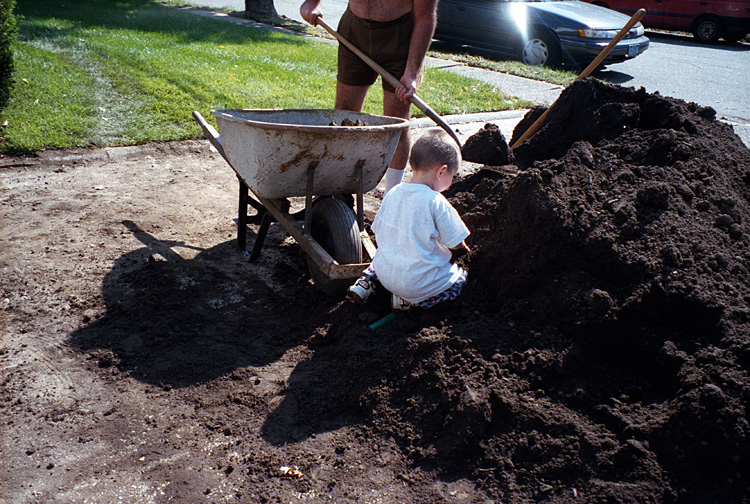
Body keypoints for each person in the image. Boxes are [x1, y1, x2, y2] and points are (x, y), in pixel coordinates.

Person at [300, 0, 438, 194]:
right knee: (344, 114)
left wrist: (412, 72)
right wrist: (312, 2)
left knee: (395, 124)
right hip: (354, 30)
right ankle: (339, 193)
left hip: (399, 36)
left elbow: (425, 16)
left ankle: (392, 197)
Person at [347, 131, 470, 311]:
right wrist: (463, 249)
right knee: (459, 280)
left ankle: (366, 283)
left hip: (386, 276)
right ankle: (410, 303)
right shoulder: (436, 202)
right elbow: (455, 242)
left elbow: (377, 230)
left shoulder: (393, 192)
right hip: (418, 285)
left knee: (378, 262)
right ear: (442, 171)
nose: (451, 182)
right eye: (452, 176)